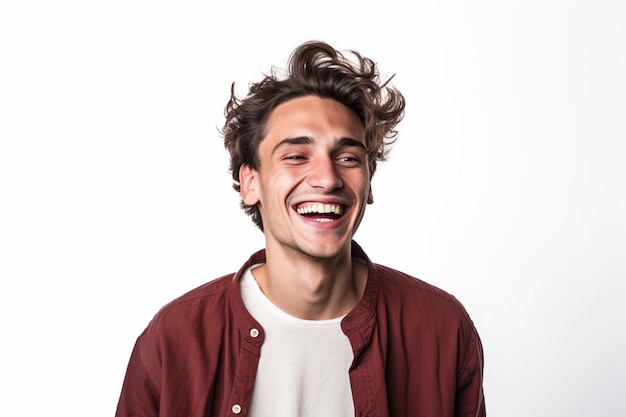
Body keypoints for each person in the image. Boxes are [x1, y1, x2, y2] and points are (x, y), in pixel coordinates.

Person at [115, 40, 486, 417]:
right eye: (295, 156)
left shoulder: (442, 329)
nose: (327, 179)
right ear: (251, 183)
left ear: (369, 182)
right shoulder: (174, 339)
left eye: (347, 157)